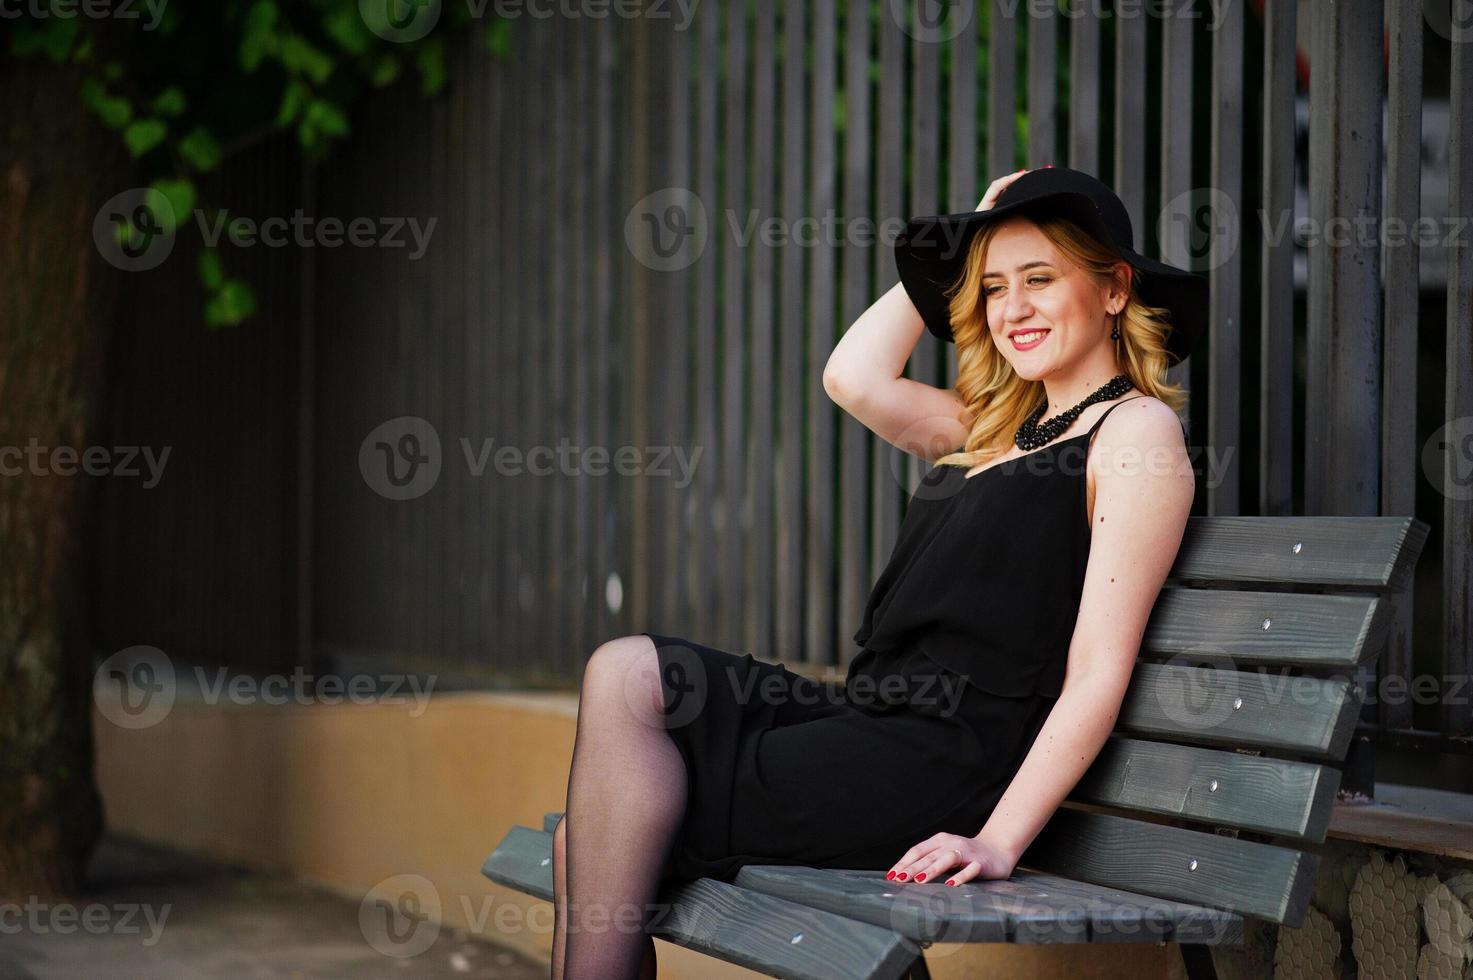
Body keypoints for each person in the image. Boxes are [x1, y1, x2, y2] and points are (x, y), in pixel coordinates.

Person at [551, 166, 1203, 980]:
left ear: (1114, 289)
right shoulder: (994, 428)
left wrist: (997, 838)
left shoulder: (1133, 434)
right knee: (626, 673)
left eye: (1039, 279)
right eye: (992, 288)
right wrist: (962, 232)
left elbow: (1096, 672)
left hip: (943, 758)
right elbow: (850, 377)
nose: (1013, 309)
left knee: (592, 838)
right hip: (866, 721)